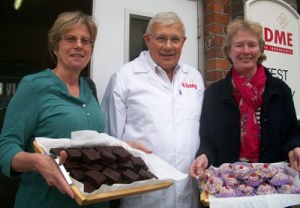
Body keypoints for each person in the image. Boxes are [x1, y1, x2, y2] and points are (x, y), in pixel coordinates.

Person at [0, 11, 108, 208]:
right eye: (70, 39)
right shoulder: (33, 86)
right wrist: (37, 162)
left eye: (86, 41)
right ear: (55, 46)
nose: (79, 45)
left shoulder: (89, 88)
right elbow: (5, 148)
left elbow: (95, 142)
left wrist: (125, 148)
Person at [101, 11, 205, 208]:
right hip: (143, 194)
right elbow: (108, 139)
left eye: (175, 39)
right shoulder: (125, 77)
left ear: (183, 42)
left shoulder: (194, 77)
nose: (168, 46)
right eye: (161, 38)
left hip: (187, 194)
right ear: (147, 40)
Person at [189, 18, 300, 178]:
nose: (246, 51)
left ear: (261, 50)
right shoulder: (213, 94)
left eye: (252, 45)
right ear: (228, 51)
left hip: (273, 182)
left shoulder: (281, 90)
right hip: (227, 183)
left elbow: (293, 132)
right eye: (239, 45)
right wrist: (204, 156)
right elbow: (207, 139)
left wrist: (294, 147)